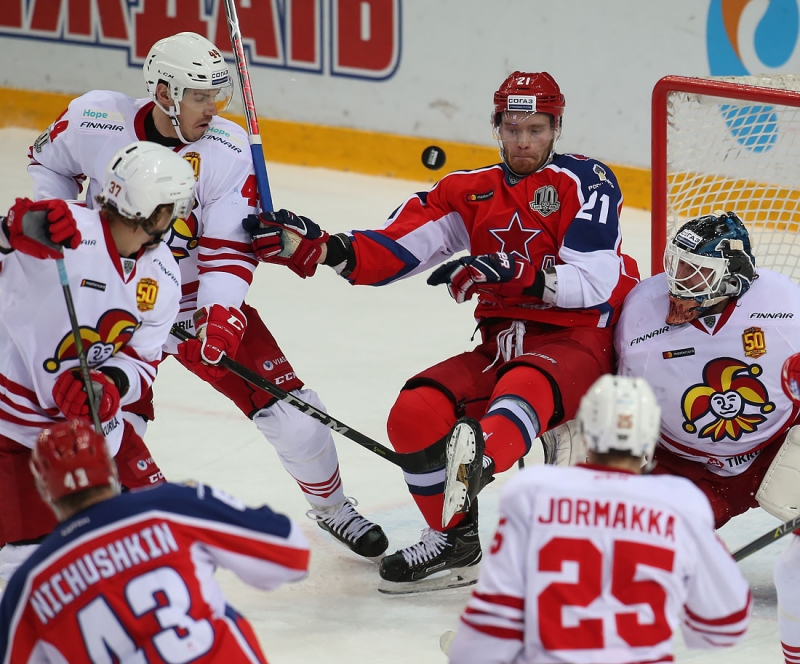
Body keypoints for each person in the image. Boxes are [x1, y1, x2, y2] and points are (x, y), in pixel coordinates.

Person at [242, 70, 640, 588]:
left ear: (556, 128)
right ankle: (454, 539)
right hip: (502, 345)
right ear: (495, 125)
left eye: (536, 129)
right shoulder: (468, 191)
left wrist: (509, 271)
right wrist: (323, 248)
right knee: (414, 413)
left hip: (578, 339)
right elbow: (398, 247)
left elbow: (592, 280)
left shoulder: (586, 181)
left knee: (521, 390)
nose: (523, 141)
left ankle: (483, 457)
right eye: (512, 127)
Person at [27, 31, 387, 559]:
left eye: (217, 94)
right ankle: (121, 535)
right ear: (165, 91)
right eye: (199, 95)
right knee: (106, 420)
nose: (212, 107)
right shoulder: (94, 118)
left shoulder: (225, 145)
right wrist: (58, 224)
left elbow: (225, 246)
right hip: (109, 302)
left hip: (194, 302)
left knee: (296, 417)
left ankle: (333, 508)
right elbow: (48, 164)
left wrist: (221, 318)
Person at [446, 374, 752, 664]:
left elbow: (492, 624)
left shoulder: (532, 494)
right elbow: (724, 625)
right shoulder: (680, 502)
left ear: (587, 434)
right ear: (649, 438)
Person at [0, 140, 193, 585]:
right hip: (14, 426)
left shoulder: (162, 273)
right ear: (157, 212)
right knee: (29, 568)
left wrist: (109, 386)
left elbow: (142, 361)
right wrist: (9, 232)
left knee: (159, 531)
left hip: (94, 430)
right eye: (174, 207)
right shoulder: (61, 233)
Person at [614, 211, 800, 659]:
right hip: (686, 468)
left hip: (776, 454)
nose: (678, 282)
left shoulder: (784, 306)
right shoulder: (641, 313)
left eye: (695, 272)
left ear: (733, 278)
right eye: (675, 265)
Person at [0, 419, 310, 663]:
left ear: (44, 491)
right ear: (109, 467)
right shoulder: (171, 507)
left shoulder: (28, 584)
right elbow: (293, 553)